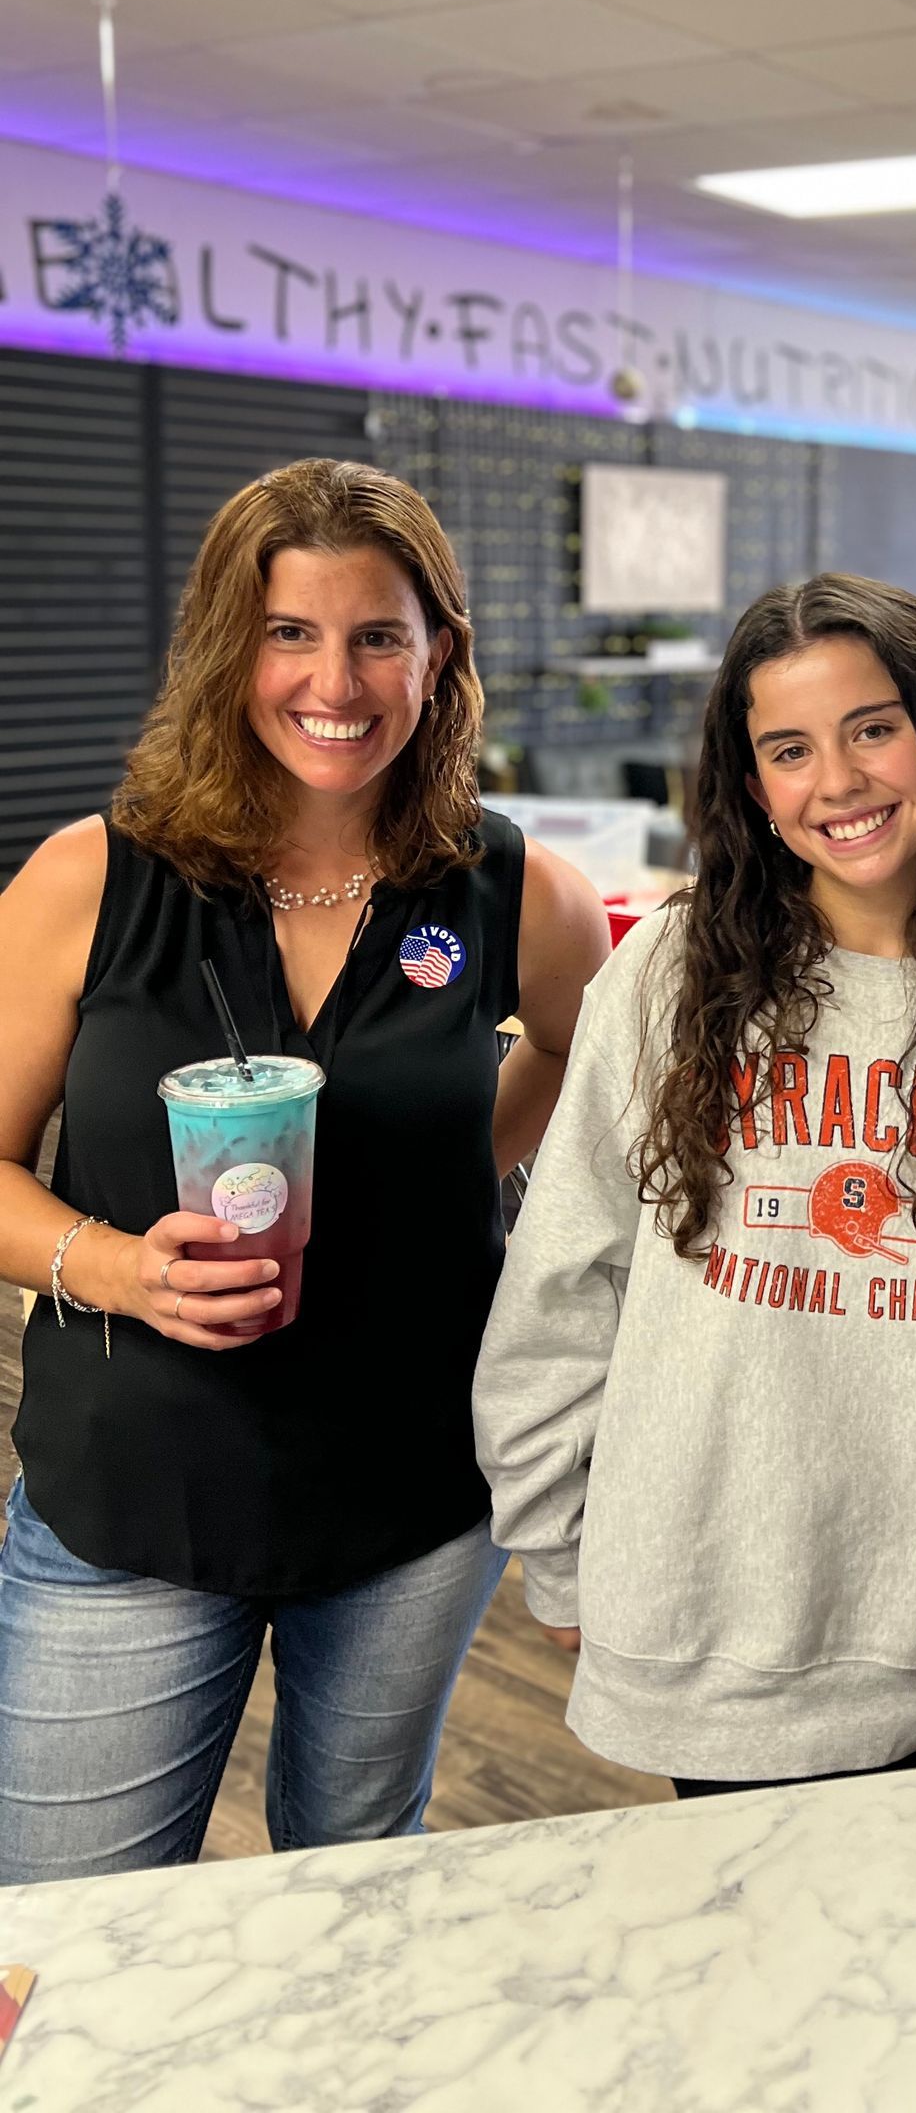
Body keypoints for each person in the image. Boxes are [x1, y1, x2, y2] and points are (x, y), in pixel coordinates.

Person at [0, 459, 608, 1880]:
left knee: (354, 1890)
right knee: (67, 1930)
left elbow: (586, 1063)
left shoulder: (515, 890)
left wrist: (469, 1161)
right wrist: (117, 1268)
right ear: (232, 646)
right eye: (292, 633)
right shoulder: (94, 880)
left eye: (378, 636)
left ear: (437, 652)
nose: (335, 680)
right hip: (135, 1497)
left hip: (415, 1499)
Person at [475, 574, 916, 1797]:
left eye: (873, 727)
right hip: (705, 1615)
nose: (837, 781)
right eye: (789, 749)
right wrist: (556, 1549)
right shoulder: (667, 975)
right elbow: (561, 1282)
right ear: (754, 789)